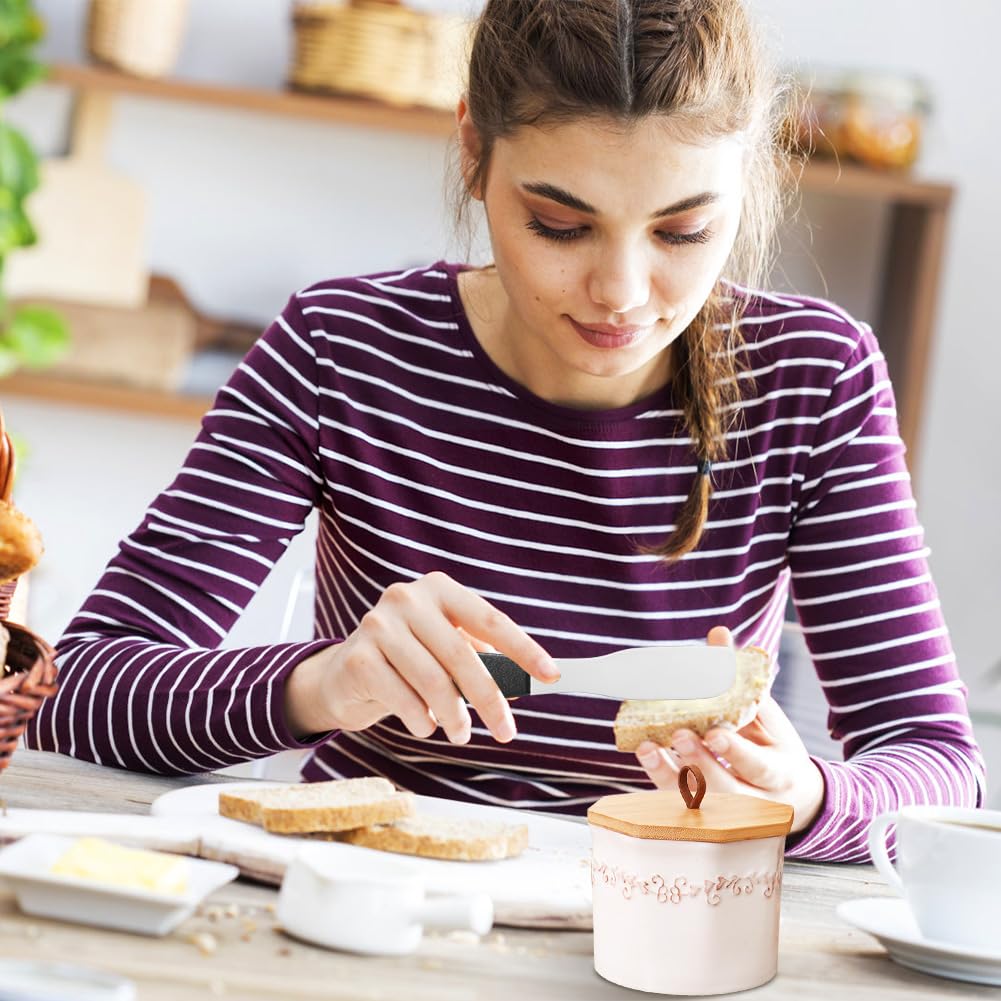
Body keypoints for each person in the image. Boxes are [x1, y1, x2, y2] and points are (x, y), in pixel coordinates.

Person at [28, 0, 984, 863]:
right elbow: (81, 691)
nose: (620, 292)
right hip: (374, 899)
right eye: (560, 225)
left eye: (682, 232)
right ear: (472, 154)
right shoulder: (341, 348)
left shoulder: (812, 377)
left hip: (668, 919)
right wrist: (325, 684)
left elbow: (938, 767)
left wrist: (812, 795)